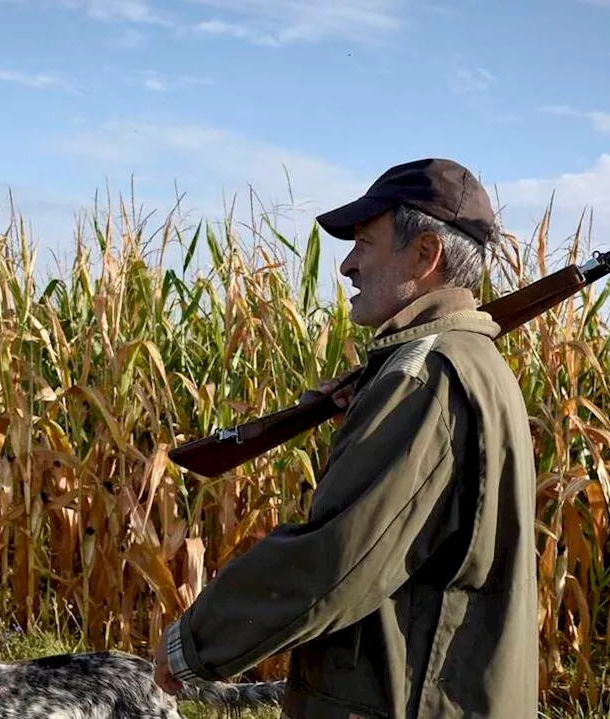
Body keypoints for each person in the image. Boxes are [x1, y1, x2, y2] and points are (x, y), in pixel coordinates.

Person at [152, 158, 539, 718]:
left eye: (365, 242)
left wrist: (195, 643)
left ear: (426, 255)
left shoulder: (425, 376)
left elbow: (337, 557)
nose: (348, 265)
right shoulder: (465, 362)